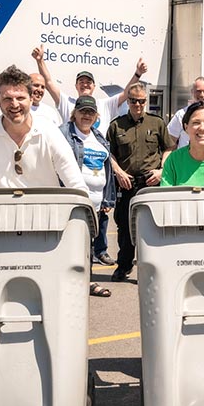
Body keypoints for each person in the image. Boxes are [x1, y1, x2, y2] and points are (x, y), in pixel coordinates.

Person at [31, 46, 146, 266]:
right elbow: (50, 83)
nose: (85, 85)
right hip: (76, 178)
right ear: (76, 87)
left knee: (102, 219)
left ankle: (99, 251)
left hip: (99, 171)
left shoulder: (104, 106)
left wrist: (138, 74)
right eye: (81, 82)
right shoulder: (68, 105)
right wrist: (40, 62)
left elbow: (125, 94)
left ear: (94, 87)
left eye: (89, 82)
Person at [0, 65, 88, 194]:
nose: (15, 104)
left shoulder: (50, 132)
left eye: (20, 98)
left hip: (45, 212)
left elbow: (75, 184)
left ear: (31, 99)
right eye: (8, 98)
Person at [107, 83, 173, 282]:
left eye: (142, 100)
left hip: (150, 184)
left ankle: (150, 269)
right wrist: (118, 172)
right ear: (127, 101)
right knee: (125, 229)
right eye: (133, 100)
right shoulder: (116, 125)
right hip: (126, 185)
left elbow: (168, 149)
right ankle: (124, 266)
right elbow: (108, 153)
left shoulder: (157, 123)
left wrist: (162, 171)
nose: (137, 104)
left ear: (146, 101)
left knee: (151, 228)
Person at [59, 95, 115, 297]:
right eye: (83, 111)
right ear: (75, 113)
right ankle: (67, 284)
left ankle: (86, 282)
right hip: (73, 203)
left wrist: (107, 199)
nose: (86, 116)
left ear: (96, 116)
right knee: (70, 245)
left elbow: (106, 169)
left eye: (91, 112)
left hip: (97, 204)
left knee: (89, 246)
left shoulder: (99, 137)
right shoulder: (63, 134)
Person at [167, 77, 204, 148]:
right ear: (192, 92)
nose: (202, 95)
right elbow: (170, 143)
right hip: (186, 158)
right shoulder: (181, 115)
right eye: (198, 91)